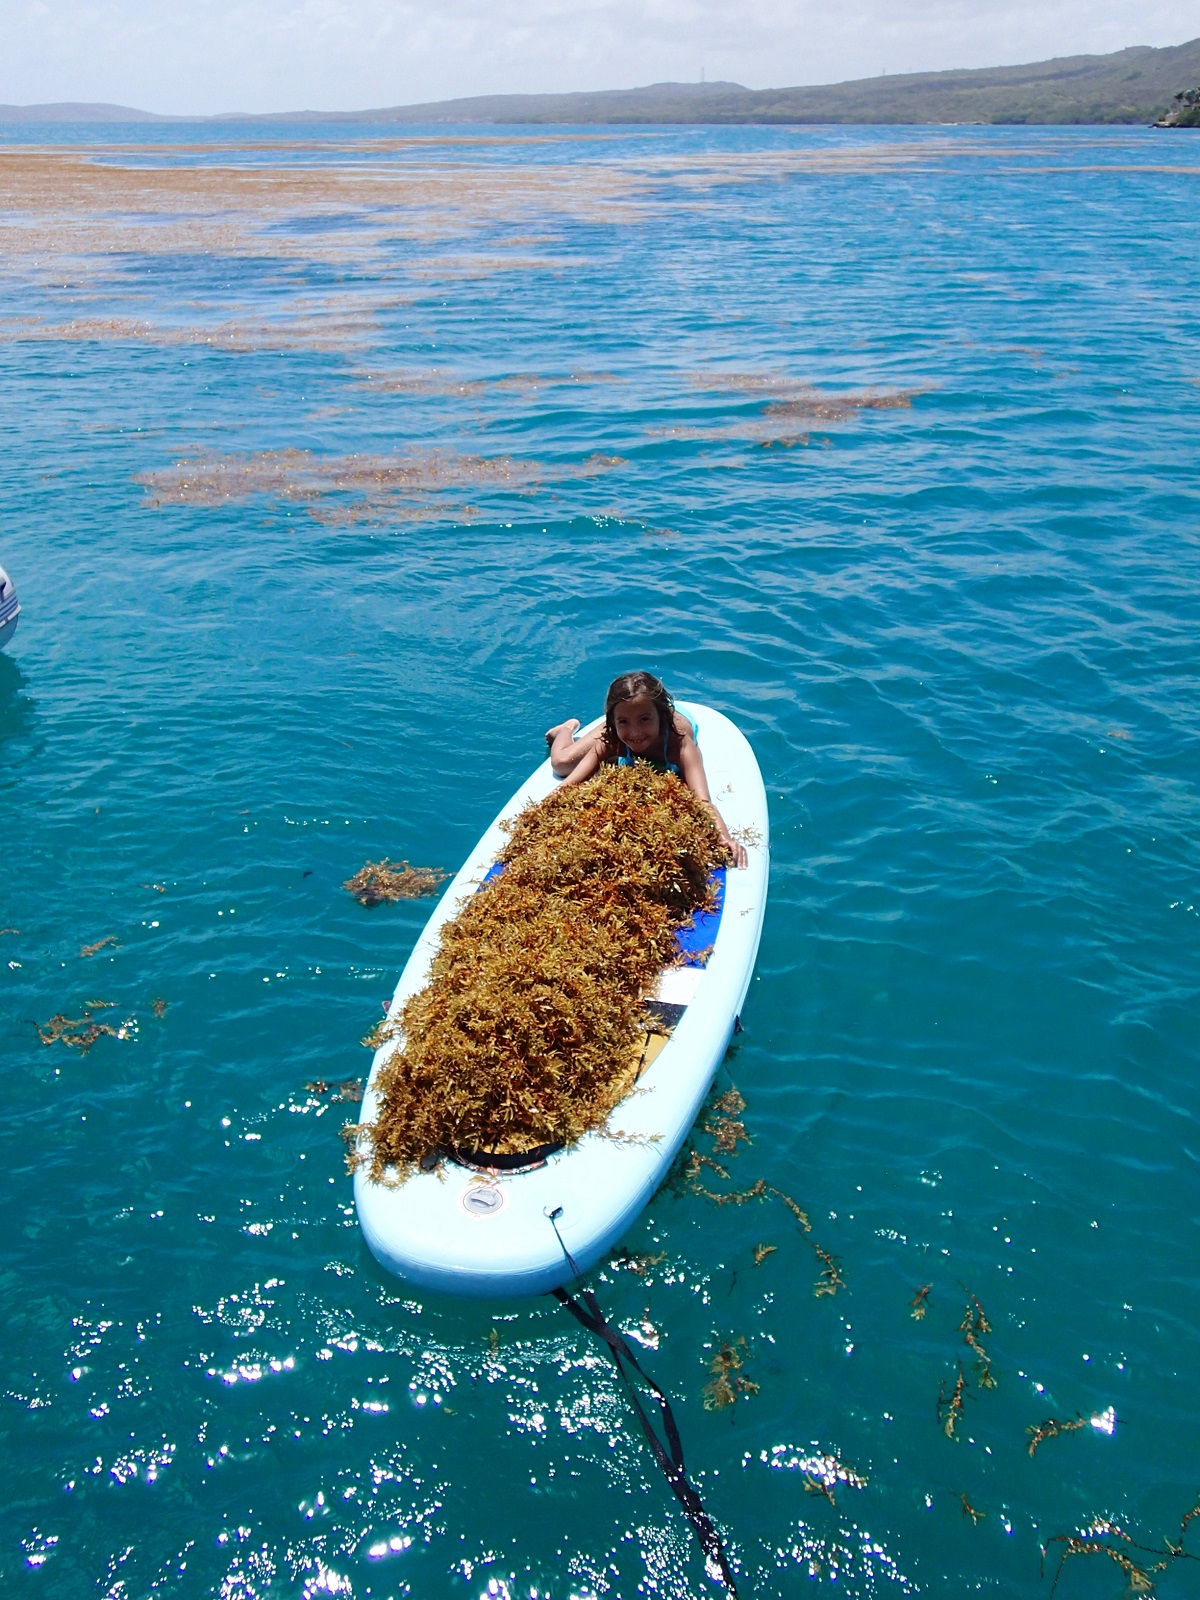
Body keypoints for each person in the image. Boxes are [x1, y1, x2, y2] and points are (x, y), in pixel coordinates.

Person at [545, 671, 748, 868]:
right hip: (631, 716)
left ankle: (634, 731)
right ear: (612, 722)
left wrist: (724, 838)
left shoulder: (679, 745)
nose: (635, 732)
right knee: (562, 764)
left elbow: (702, 801)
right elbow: (568, 785)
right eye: (623, 722)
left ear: (661, 716)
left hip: (668, 722)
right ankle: (565, 729)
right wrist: (539, 813)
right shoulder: (613, 739)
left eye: (644, 720)